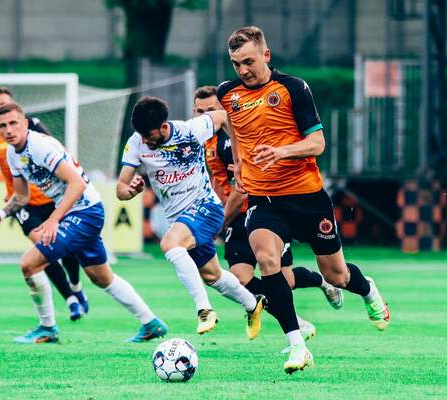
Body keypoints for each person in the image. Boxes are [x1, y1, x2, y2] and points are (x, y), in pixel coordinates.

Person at [218, 26, 391, 373]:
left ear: (266, 55)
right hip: (265, 199)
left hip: (308, 198)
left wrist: (280, 152)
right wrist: (240, 165)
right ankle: (297, 346)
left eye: (249, 61)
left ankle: (367, 289)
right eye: (236, 64)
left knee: (338, 275)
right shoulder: (227, 93)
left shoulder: (293, 88)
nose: (243, 70)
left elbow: (317, 143)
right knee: (267, 260)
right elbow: (236, 133)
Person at [0, 103, 167, 344]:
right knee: (101, 277)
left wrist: (53, 219)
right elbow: (21, 196)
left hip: (85, 211)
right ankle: (152, 323)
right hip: (80, 213)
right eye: (2, 126)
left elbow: (77, 183)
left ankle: (47, 328)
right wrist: (1, 214)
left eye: (13, 123)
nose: (8, 130)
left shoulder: (39, 145)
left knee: (29, 264)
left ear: (25, 123)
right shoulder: (12, 154)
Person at [194, 85, 345, 341]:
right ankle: (296, 323)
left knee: (285, 279)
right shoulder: (206, 139)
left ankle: (322, 281)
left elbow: (241, 190)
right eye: (198, 111)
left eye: (210, 110)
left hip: (260, 211)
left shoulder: (234, 139)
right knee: (242, 277)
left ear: (223, 110)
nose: (204, 116)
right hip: (235, 216)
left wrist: (219, 223)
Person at [116, 96, 264, 339]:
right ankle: (252, 303)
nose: (144, 140)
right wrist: (130, 190)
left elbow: (223, 116)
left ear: (163, 127)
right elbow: (120, 189)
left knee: (169, 244)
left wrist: (240, 160)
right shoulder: (136, 142)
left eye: (149, 135)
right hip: (180, 220)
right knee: (212, 276)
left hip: (206, 207)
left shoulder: (190, 130)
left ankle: (204, 310)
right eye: (141, 135)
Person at [0, 86, 88, 321]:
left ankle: (75, 284)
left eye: (3, 103)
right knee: (43, 247)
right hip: (24, 203)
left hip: (50, 197)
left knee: (66, 249)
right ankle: (70, 300)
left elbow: (55, 152)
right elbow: (9, 170)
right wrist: (8, 203)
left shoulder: (33, 129)